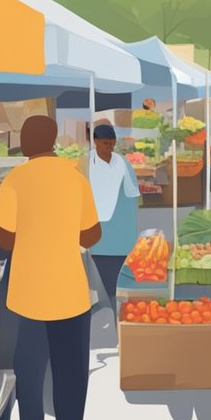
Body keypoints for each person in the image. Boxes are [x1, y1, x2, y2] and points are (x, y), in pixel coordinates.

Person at [0, 116, 103, 420]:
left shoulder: (14, 181)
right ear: (54, 141)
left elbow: (4, 238)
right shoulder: (75, 177)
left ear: (26, 144)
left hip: (27, 297)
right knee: (70, 382)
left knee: (30, 385)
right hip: (71, 295)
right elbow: (92, 234)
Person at [87, 124, 140, 317]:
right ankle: (109, 305)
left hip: (120, 232)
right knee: (102, 271)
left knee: (119, 273)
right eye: (104, 144)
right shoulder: (86, 162)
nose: (108, 148)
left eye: (111, 144)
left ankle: (115, 307)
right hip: (98, 232)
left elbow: (133, 195)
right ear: (96, 142)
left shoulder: (122, 162)